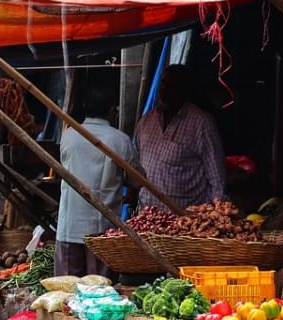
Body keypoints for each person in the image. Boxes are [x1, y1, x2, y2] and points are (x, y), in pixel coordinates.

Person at [55, 89, 137, 277]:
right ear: (111, 110)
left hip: (70, 225)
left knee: (66, 291)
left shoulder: (69, 136)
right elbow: (136, 179)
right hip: (102, 230)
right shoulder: (120, 140)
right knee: (100, 290)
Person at [135, 65, 226, 210]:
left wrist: (216, 212)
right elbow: (138, 166)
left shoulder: (201, 123)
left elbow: (217, 179)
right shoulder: (146, 121)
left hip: (184, 220)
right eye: (163, 84)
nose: (165, 90)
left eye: (172, 86)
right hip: (146, 216)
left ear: (184, 90)